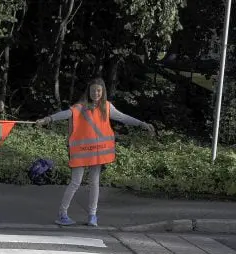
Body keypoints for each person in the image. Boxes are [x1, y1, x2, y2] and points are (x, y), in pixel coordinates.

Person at [37, 77, 155, 227]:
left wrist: (142, 124)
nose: (96, 93)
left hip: (97, 153)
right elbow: (66, 114)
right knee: (75, 183)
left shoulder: (106, 107)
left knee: (94, 183)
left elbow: (124, 118)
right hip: (81, 152)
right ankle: (62, 213)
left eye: (98, 90)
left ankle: (92, 215)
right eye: (93, 90)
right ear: (89, 92)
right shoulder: (81, 107)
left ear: (103, 91)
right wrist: (48, 119)